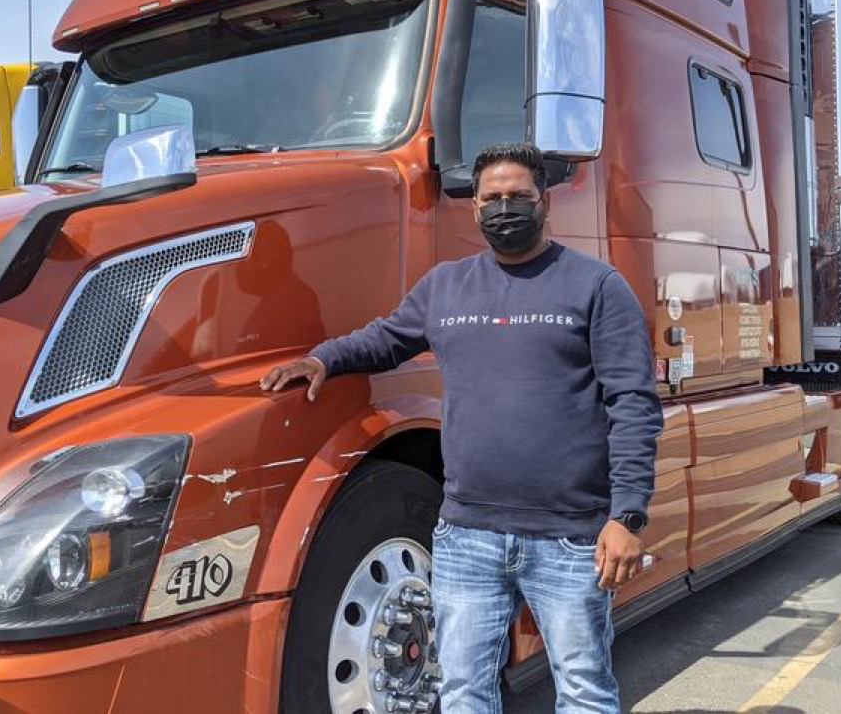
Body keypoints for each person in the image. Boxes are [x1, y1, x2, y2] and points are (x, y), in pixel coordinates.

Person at [260, 141, 663, 713]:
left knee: (584, 690)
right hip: (467, 537)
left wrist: (626, 516)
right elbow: (386, 337)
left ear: (544, 202)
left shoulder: (596, 287)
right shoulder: (446, 286)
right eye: (492, 198)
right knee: (461, 690)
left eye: (519, 197)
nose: (505, 209)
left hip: (570, 538)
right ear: (474, 208)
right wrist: (324, 359)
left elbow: (633, 403)